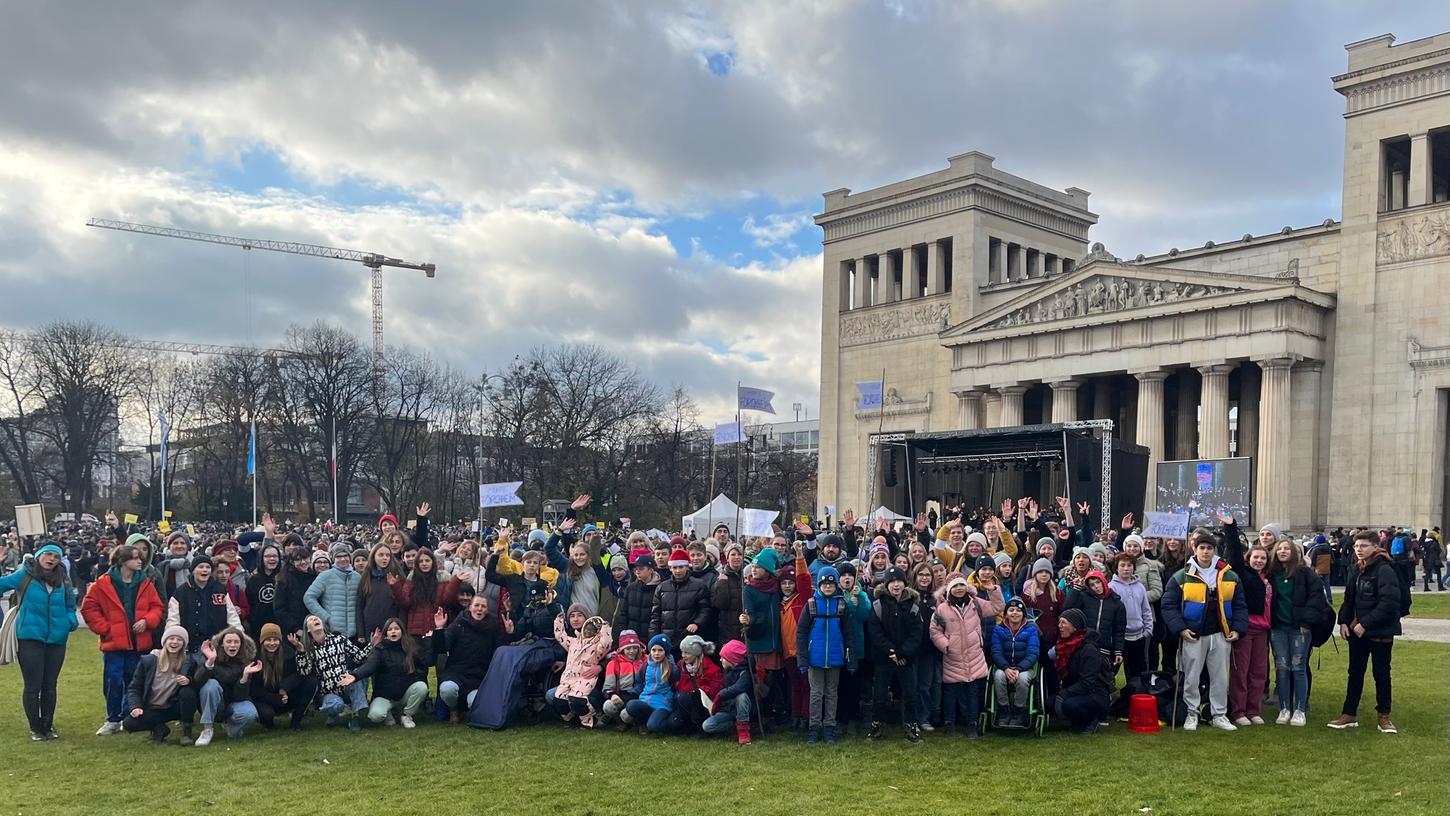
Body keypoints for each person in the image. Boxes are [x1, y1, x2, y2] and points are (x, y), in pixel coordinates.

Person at [1161, 529, 1248, 732]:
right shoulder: (1182, 575)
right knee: (1191, 675)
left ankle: (1219, 714)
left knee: (1220, 676)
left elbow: (1240, 604)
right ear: (1195, 549)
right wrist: (1180, 629)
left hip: (1220, 632)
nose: (1206, 552)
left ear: (1214, 550)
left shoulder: (1229, 575)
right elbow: (1168, 605)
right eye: (1202, 548)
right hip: (1193, 634)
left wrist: (1238, 629)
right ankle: (1192, 712)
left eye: (1209, 548)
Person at [81, 543, 165, 736]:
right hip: (114, 643)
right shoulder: (102, 583)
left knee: (133, 680)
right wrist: (105, 629)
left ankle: (128, 716)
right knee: (113, 680)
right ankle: (112, 718)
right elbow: (89, 608)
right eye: (135, 558)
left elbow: (157, 607)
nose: (140, 560)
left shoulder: (145, 582)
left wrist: (147, 621)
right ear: (123, 561)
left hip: (138, 642)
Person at [0, 543, 79, 740]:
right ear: (39, 555)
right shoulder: (25, 574)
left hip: (57, 638)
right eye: (48, 554)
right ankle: (35, 728)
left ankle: (48, 725)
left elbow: (70, 604)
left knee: (50, 685)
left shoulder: (64, 579)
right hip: (30, 637)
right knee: (33, 685)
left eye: (56, 556)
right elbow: (3, 584)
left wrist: (71, 620)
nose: (51, 559)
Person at [1328, 531, 1404, 733]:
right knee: (1355, 672)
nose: (1359, 550)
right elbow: (1349, 598)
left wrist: (1366, 624)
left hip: (1379, 631)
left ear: (1375, 547)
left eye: (1363, 546)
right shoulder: (1356, 568)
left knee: (1381, 674)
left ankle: (1384, 716)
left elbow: (1389, 602)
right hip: (1357, 631)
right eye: (1356, 546)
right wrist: (1343, 621)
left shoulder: (1384, 569)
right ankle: (1349, 713)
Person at [1266, 538, 1329, 726]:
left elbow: (1317, 598)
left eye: (1287, 548)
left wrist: (1307, 621)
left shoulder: (1305, 574)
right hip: (1278, 627)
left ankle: (1300, 708)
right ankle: (1284, 708)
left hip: (1299, 628)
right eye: (1280, 549)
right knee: (1282, 668)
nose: (1283, 551)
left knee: (1298, 668)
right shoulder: (1272, 574)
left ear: (1294, 552)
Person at [796, 565, 857, 745]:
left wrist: (851, 659)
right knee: (816, 694)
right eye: (824, 584)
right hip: (815, 658)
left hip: (835, 658)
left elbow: (849, 635)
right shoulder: (811, 605)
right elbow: (801, 634)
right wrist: (802, 659)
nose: (828, 587)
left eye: (831, 584)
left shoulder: (841, 605)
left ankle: (829, 727)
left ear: (836, 585)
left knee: (831, 693)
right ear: (819, 585)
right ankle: (814, 728)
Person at [929, 573, 996, 738]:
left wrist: (993, 590)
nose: (959, 589)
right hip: (953, 657)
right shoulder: (941, 609)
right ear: (949, 589)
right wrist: (946, 646)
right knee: (950, 693)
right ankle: (949, 723)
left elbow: (997, 606)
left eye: (961, 585)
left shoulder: (975, 603)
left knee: (972, 693)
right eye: (955, 586)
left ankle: (972, 724)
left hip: (974, 656)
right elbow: (935, 631)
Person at [1222, 516, 1272, 727]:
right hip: (1245, 627)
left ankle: (1254, 709)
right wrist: (1230, 527)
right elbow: (1233, 552)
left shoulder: (1268, 577)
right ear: (1249, 558)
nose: (1259, 561)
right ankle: (1239, 710)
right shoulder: (1243, 574)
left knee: (1259, 671)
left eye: (1262, 558)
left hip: (1263, 630)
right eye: (1255, 557)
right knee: (1240, 672)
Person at [867, 567, 924, 743]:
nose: (896, 585)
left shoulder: (913, 606)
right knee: (880, 695)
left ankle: (910, 725)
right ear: (887, 585)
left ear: (905, 583)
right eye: (892, 582)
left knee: (910, 694)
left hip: (906, 659)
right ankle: (877, 725)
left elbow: (917, 633)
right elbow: (875, 632)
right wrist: (891, 651)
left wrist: (903, 652)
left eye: (899, 581)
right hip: (885, 658)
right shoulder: (878, 605)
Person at [291, 614, 375, 733]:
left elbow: (359, 657)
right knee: (334, 706)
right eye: (310, 620)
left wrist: (372, 645)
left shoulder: (339, 639)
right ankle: (333, 714)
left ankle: (355, 717)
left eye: (316, 618)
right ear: (308, 629)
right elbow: (304, 672)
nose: (315, 619)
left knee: (355, 677)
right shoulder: (307, 648)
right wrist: (301, 652)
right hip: (328, 691)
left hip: (346, 684)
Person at [435, 597, 508, 722]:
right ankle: (454, 709)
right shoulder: (458, 624)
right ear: (470, 608)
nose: (479, 609)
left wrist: (509, 634)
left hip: (479, 678)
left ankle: (469, 711)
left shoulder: (493, 627)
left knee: (475, 704)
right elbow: (442, 647)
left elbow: (500, 651)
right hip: (456, 673)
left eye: (483, 606)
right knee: (447, 689)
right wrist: (439, 629)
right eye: (476, 605)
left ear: (487, 610)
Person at [351, 617, 432, 728]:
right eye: (390, 629)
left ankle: (406, 715)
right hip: (384, 696)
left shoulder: (410, 648)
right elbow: (369, 666)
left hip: (404, 694)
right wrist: (355, 676)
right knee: (375, 716)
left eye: (396, 628)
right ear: (386, 634)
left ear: (402, 632)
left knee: (422, 687)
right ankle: (387, 711)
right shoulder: (379, 649)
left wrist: (428, 641)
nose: (393, 631)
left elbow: (428, 661)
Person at [121, 625, 194, 744]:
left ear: (184, 643)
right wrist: (136, 706)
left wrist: (189, 680)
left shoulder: (188, 662)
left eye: (179, 639)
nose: (175, 642)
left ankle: (187, 732)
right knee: (129, 724)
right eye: (171, 638)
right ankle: (159, 728)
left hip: (173, 707)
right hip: (152, 707)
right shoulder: (149, 661)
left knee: (188, 693)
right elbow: (134, 688)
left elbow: (196, 681)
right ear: (164, 641)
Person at [189, 627, 261, 747]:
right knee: (211, 685)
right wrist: (210, 662)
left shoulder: (247, 662)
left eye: (236, 642)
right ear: (222, 644)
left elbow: (240, 697)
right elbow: (198, 682)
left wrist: (244, 677)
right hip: (214, 703)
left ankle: (232, 728)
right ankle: (207, 729)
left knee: (250, 713)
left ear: (241, 644)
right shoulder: (210, 656)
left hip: (234, 703)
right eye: (229, 641)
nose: (232, 645)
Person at [549, 607, 612, 727]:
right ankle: (571, 719)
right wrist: (558, 621)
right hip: (568, 679)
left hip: (586, 680)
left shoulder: (597, 645)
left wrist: (605, 629)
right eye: (572, 616)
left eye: (579, 615)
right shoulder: (573, 641)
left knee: (578, 700)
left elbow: (606, 645)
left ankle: (589, 719)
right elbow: (560, 636)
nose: (575, 619)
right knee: (558, 700)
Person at [1051, 608, 1110, 734]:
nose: (1059, 626)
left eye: (1063, 623)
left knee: (1069, 705)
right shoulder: (1063, 645)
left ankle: (1091, 719)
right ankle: (1075, 720)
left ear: (1075, 627)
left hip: (1094, 693)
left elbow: (1088, 682)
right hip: (1074, 689)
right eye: (1059, 622)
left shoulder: (1089, 649)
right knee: (1049, 703)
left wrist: (1065, 693)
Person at [166, 556, 241, 652]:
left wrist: (238, 635)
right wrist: (173, 639)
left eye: (208, 567)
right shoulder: (181, 592)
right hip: (190, 647)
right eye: (201, 567)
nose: (205, 570)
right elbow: (173, 619)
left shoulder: (220, 590)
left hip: (216, 646)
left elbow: (232, 616)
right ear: (193, 570)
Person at [251, 622, 317, 730]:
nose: (272, 643)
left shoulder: (288, 653)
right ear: (262, 641)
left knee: (311, 681)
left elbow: (301, 674)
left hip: (286, 696)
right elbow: (254, 691)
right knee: (267, 714)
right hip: (267, 699)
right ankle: (267, 723)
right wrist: (275, 698)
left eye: (275, 639)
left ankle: (296, 720)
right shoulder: (255, 658)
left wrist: (285, 687)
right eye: (268, 639)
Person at [991, 598, 1040, 728]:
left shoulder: (1031, 630)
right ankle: (1004, 710)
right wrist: (1006, 668)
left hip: (1025, 667)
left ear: (1023, 614)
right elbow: (996, 652)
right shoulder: (998, 629)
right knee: (998, 676)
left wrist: (1018, 669)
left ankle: (1019, 711)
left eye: (1018, 610)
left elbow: (1033, 653)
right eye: (1011, 610)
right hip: (1004, 666)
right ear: (1006, 613)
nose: (1015, 613)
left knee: (1023, 679)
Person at [1107, 553, 1153, 686]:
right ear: (1117, 568)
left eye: (1129, 565)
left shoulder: (1140, 587)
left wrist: (1148, 630)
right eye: (1122, 565)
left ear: (1134, 567)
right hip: (1120, 637)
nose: (1126, 568)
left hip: (1138, 636)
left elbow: (1146, 610)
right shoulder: (1112, 587)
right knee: (1113, 668)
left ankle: (1136, 696)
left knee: (1137, 672)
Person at [649, 547, 710, 646]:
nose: (678, 571)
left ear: (687, 567)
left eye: (681, 567)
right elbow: (656, 616)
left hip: (689, 637)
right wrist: (653, 638)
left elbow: (705, 609)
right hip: (667, 638)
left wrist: (697, 623)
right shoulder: (662, 587)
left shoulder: (699, 586)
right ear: (670, 569)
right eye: (675, 567)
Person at [304, 542, 362, 639]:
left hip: (354, 633)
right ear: (333, 559)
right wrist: (325, 617)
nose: (343, 559)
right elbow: (309, 597)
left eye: (345, 556)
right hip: (333, 632)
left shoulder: (357, 577)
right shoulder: (326, 576)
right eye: (338, 556)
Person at [703, 640, 755, 744]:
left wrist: (721, 694)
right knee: (707, 726)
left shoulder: (745, 672)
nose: (721, 660)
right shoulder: (727, 670)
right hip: (728, 708)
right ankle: (734, 726)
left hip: (743, 707)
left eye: (724, 658)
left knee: (741, 696)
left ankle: (743, 730)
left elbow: (740, 687)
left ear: (733, 659)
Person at [625, 634, 677, 734]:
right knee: (631, 705)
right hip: (646, 700)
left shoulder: (672, 668)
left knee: (653, 726)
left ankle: (672, 724)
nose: (656, 653)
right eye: (654, 650)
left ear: (666, 651)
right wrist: (632, 693)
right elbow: (639, 682)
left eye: (660, 650)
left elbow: (676, 684)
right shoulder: (645, 666)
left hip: (662, 704)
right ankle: (643, 724)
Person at [670, 634, 722, 733]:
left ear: (696, 653)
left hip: (704, 704)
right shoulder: (681, 665)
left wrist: (699, 691)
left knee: (688, 697)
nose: (683, 656)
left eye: (687, 653)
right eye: (682, 652)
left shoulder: (711, 669)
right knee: (672, 723)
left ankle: (699, 725)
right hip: (684, 701)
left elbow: (716, 690)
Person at [600, 629, 646, 729]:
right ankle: (617, 720)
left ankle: (631, 721)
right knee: (608, 706)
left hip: (639, 695)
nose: (632, 651)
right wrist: (612, 695)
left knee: (627, 716)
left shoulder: (645, 661)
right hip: (621, 695)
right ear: (622, 649)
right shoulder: (614, 663)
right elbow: (607, 687)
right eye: (628, 648)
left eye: (635, 648)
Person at [613, 553, 660, 640]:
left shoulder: (659, 588)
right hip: (631, 638)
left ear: (650, 570)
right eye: (636, 569)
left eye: (641, 568)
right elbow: (624, 614)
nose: (637, 571)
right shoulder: (631, 588)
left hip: (650, 638)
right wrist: (622, 635)